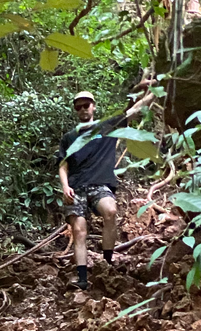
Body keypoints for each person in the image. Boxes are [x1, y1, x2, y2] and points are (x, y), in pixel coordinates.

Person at [57, 88, 152, 291]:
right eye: (79, 106)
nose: (83, 109)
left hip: (100, 184)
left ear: (93, 106)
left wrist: (155, 90)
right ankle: (82, 278)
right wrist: (65, 187)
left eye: (86, 105)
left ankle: (107, 262)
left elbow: (134, 110)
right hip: (76, 187)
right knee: (79, 230)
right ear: (76, 110)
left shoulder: (107, 127)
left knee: (110, 211)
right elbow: (63, 164)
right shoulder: (69, 137)